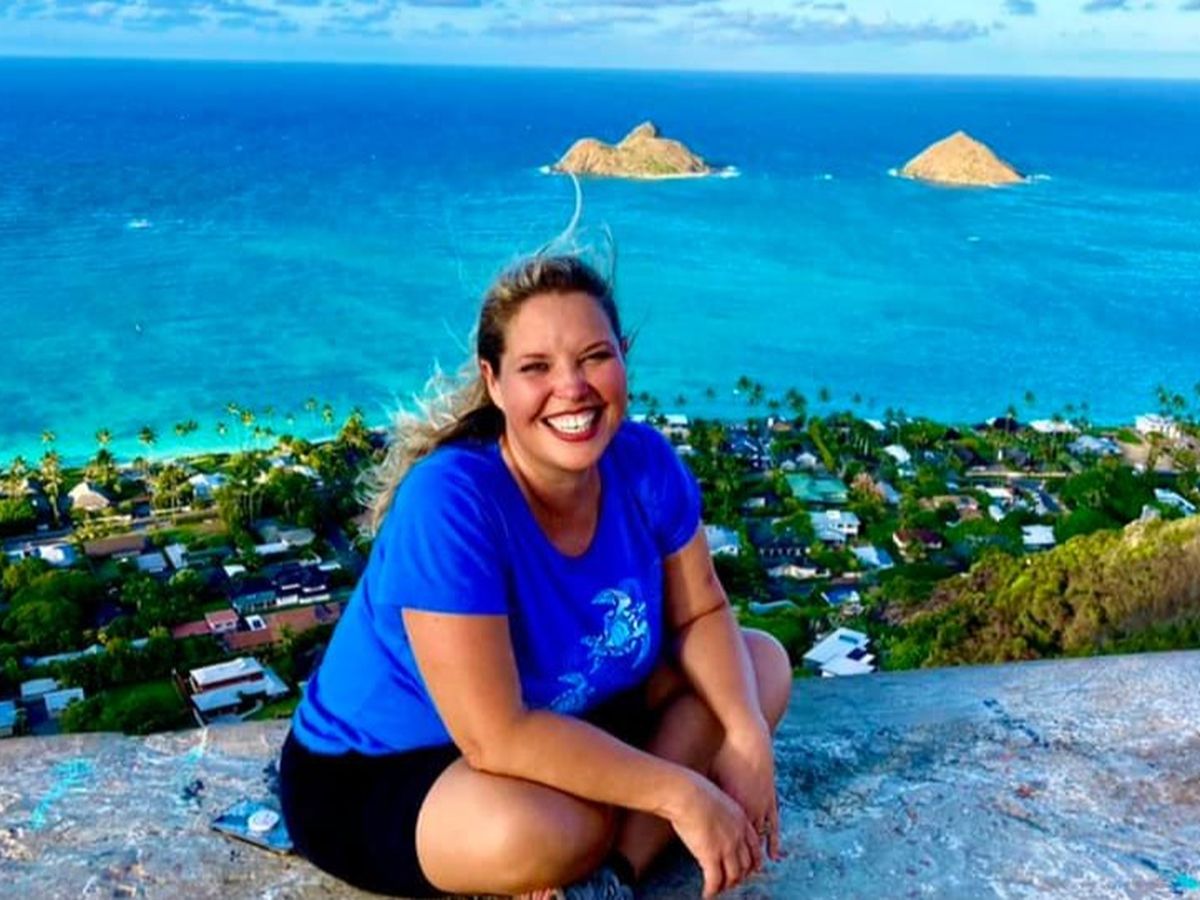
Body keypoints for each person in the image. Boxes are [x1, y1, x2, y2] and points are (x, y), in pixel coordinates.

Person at [279, 254, 793, 899]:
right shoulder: (452, 501)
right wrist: (683, 792)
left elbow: (702, 614)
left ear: (624, 357)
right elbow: (496, 737)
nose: (572, 388)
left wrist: (747, 739)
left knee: (759, 668)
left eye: (594, 357)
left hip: (564, 713)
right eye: (536, 368)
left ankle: (612, 878)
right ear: (493, 382)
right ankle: (595, 838)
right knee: (557, 829)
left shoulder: (643, 463)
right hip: (388, 765)